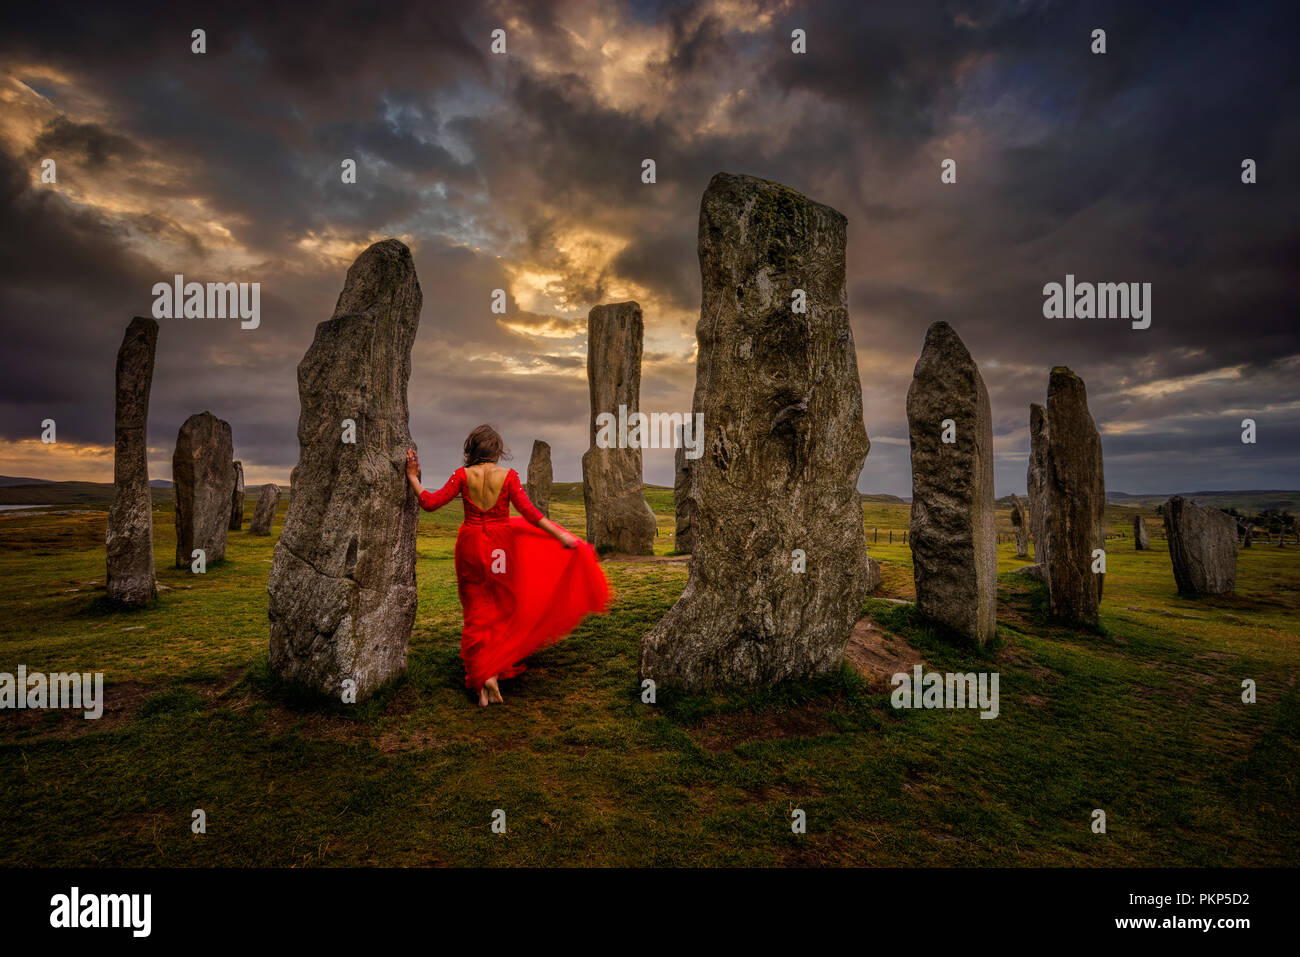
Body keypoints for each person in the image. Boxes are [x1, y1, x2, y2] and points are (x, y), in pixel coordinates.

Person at [405, 425, 609, 707]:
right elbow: (531, 514)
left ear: (471, 450)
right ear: (498, 450)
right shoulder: (509, 477)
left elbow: (429, 502)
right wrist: (562, 535)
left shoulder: (463, 476)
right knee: (501, 606)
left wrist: (413, 477)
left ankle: (483, 675)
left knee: (475, 607)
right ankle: (494, 668)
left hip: (470, 545)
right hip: (501, 547)